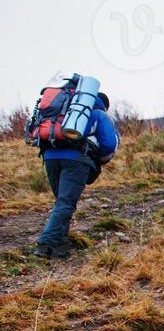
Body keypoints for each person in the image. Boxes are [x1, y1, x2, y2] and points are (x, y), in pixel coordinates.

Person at [33, 90, 119, 259]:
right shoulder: (97, 114)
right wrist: (96, 158)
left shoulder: (64, 112)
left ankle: (60, 244)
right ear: (104, 104)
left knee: (61, 202)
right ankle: (45, 243)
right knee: (66, 203)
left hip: (49, 157)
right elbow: (109, 144)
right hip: (76, 160)